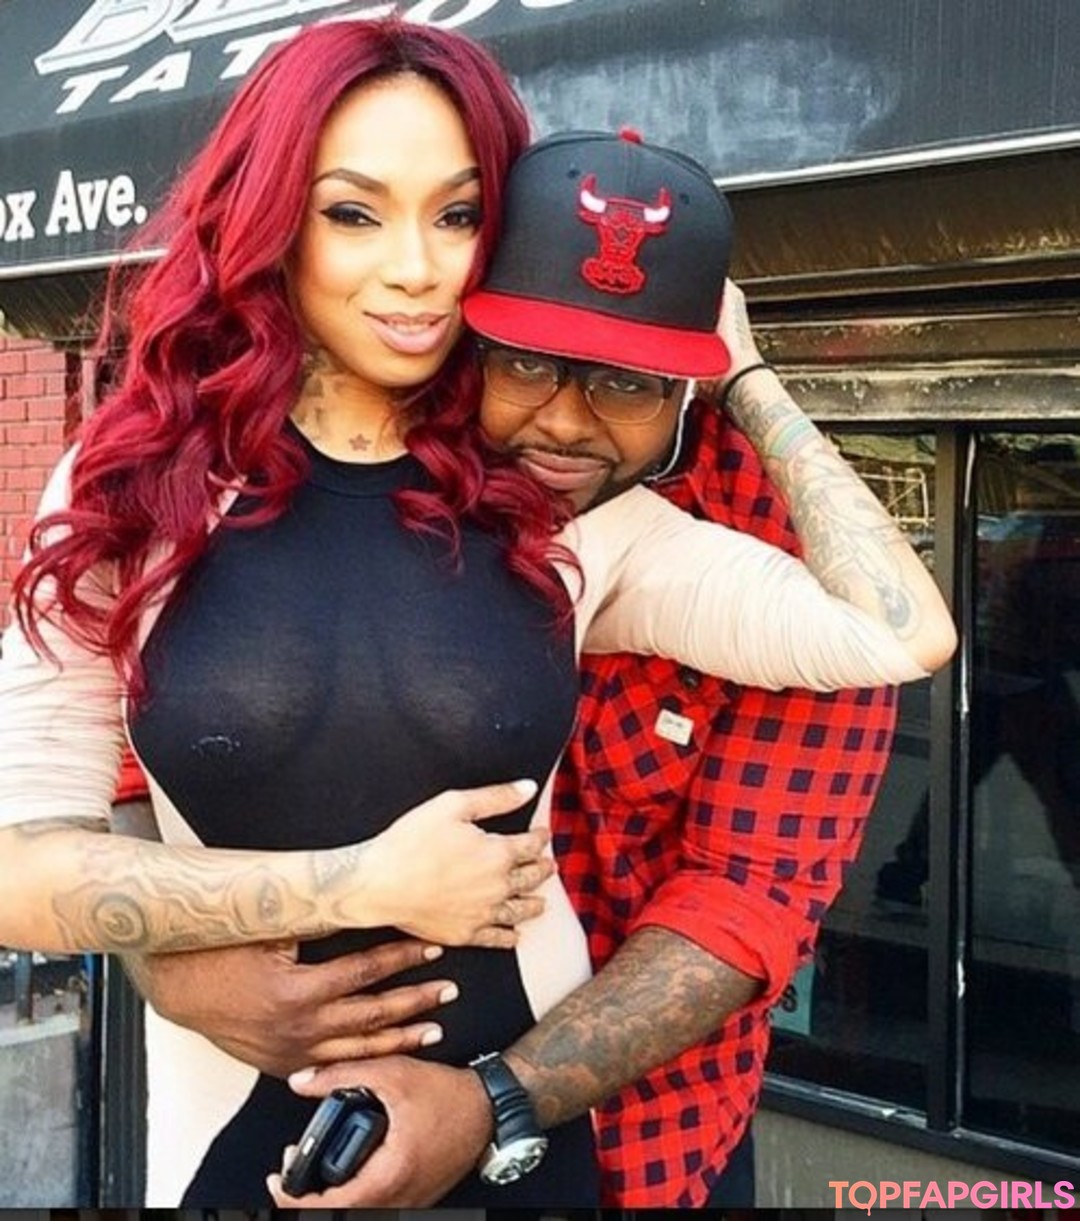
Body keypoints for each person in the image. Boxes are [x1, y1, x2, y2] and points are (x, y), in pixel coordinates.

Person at [0, 18, 954, 1207]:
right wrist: (314, 899)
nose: (417, 268)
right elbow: (33, 847)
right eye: (354, 212)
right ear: (271, 220)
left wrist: (749, 376)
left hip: (564, 1136)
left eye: (456, 216)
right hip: (223, 1126)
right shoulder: (136, 486)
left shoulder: (553, 511)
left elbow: (893, 639)